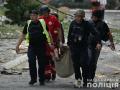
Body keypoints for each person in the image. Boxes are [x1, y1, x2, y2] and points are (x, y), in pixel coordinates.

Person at [16, 10, 51, 85]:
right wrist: (17, 45)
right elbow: (23, 34)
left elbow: (48, 33)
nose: (32, 17)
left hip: (41, 46)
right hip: (32, 46)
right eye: (31, 15)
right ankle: (33, 79)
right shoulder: (28, 23)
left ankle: (41, 79)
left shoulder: (42, 22)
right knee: (31, 61)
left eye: (34, 15)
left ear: (37, 16)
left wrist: (51, 43)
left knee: (41, 63)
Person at [67, 9, 101, 88]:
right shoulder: (72, 23)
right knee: (76, 65)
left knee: (84, 64)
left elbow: (96, 33)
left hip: (83, 48)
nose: (77, 18)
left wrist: (98, 42)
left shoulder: (87, 24)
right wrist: (69, 45)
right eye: (76, 16)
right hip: (74, 48)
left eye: (79, 17)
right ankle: (78, 81)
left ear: (82, 17)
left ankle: (85, 80)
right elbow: (69, 35)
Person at [88, 10, 115, 82]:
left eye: (95, 16)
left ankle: (91, 77)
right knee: (88, 60)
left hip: (98, 45)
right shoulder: (89, 23)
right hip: (88, 45)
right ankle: (87, 76)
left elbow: (109, 34)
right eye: (92, 16)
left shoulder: (103, 24)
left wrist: (112, 43)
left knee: (93, 62)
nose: (93, 18)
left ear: (98, 17)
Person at [39, 5, 61, 80]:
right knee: (45, 59)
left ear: (48, 12)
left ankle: (53, 72)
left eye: (45, 12)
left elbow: (58, 29)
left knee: (52, 59)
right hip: (44, 43)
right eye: (42, 12)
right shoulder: (40, 19)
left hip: (53, 43)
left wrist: (59, 41)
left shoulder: (53, 18)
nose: (44, 14)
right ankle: (47, 75)